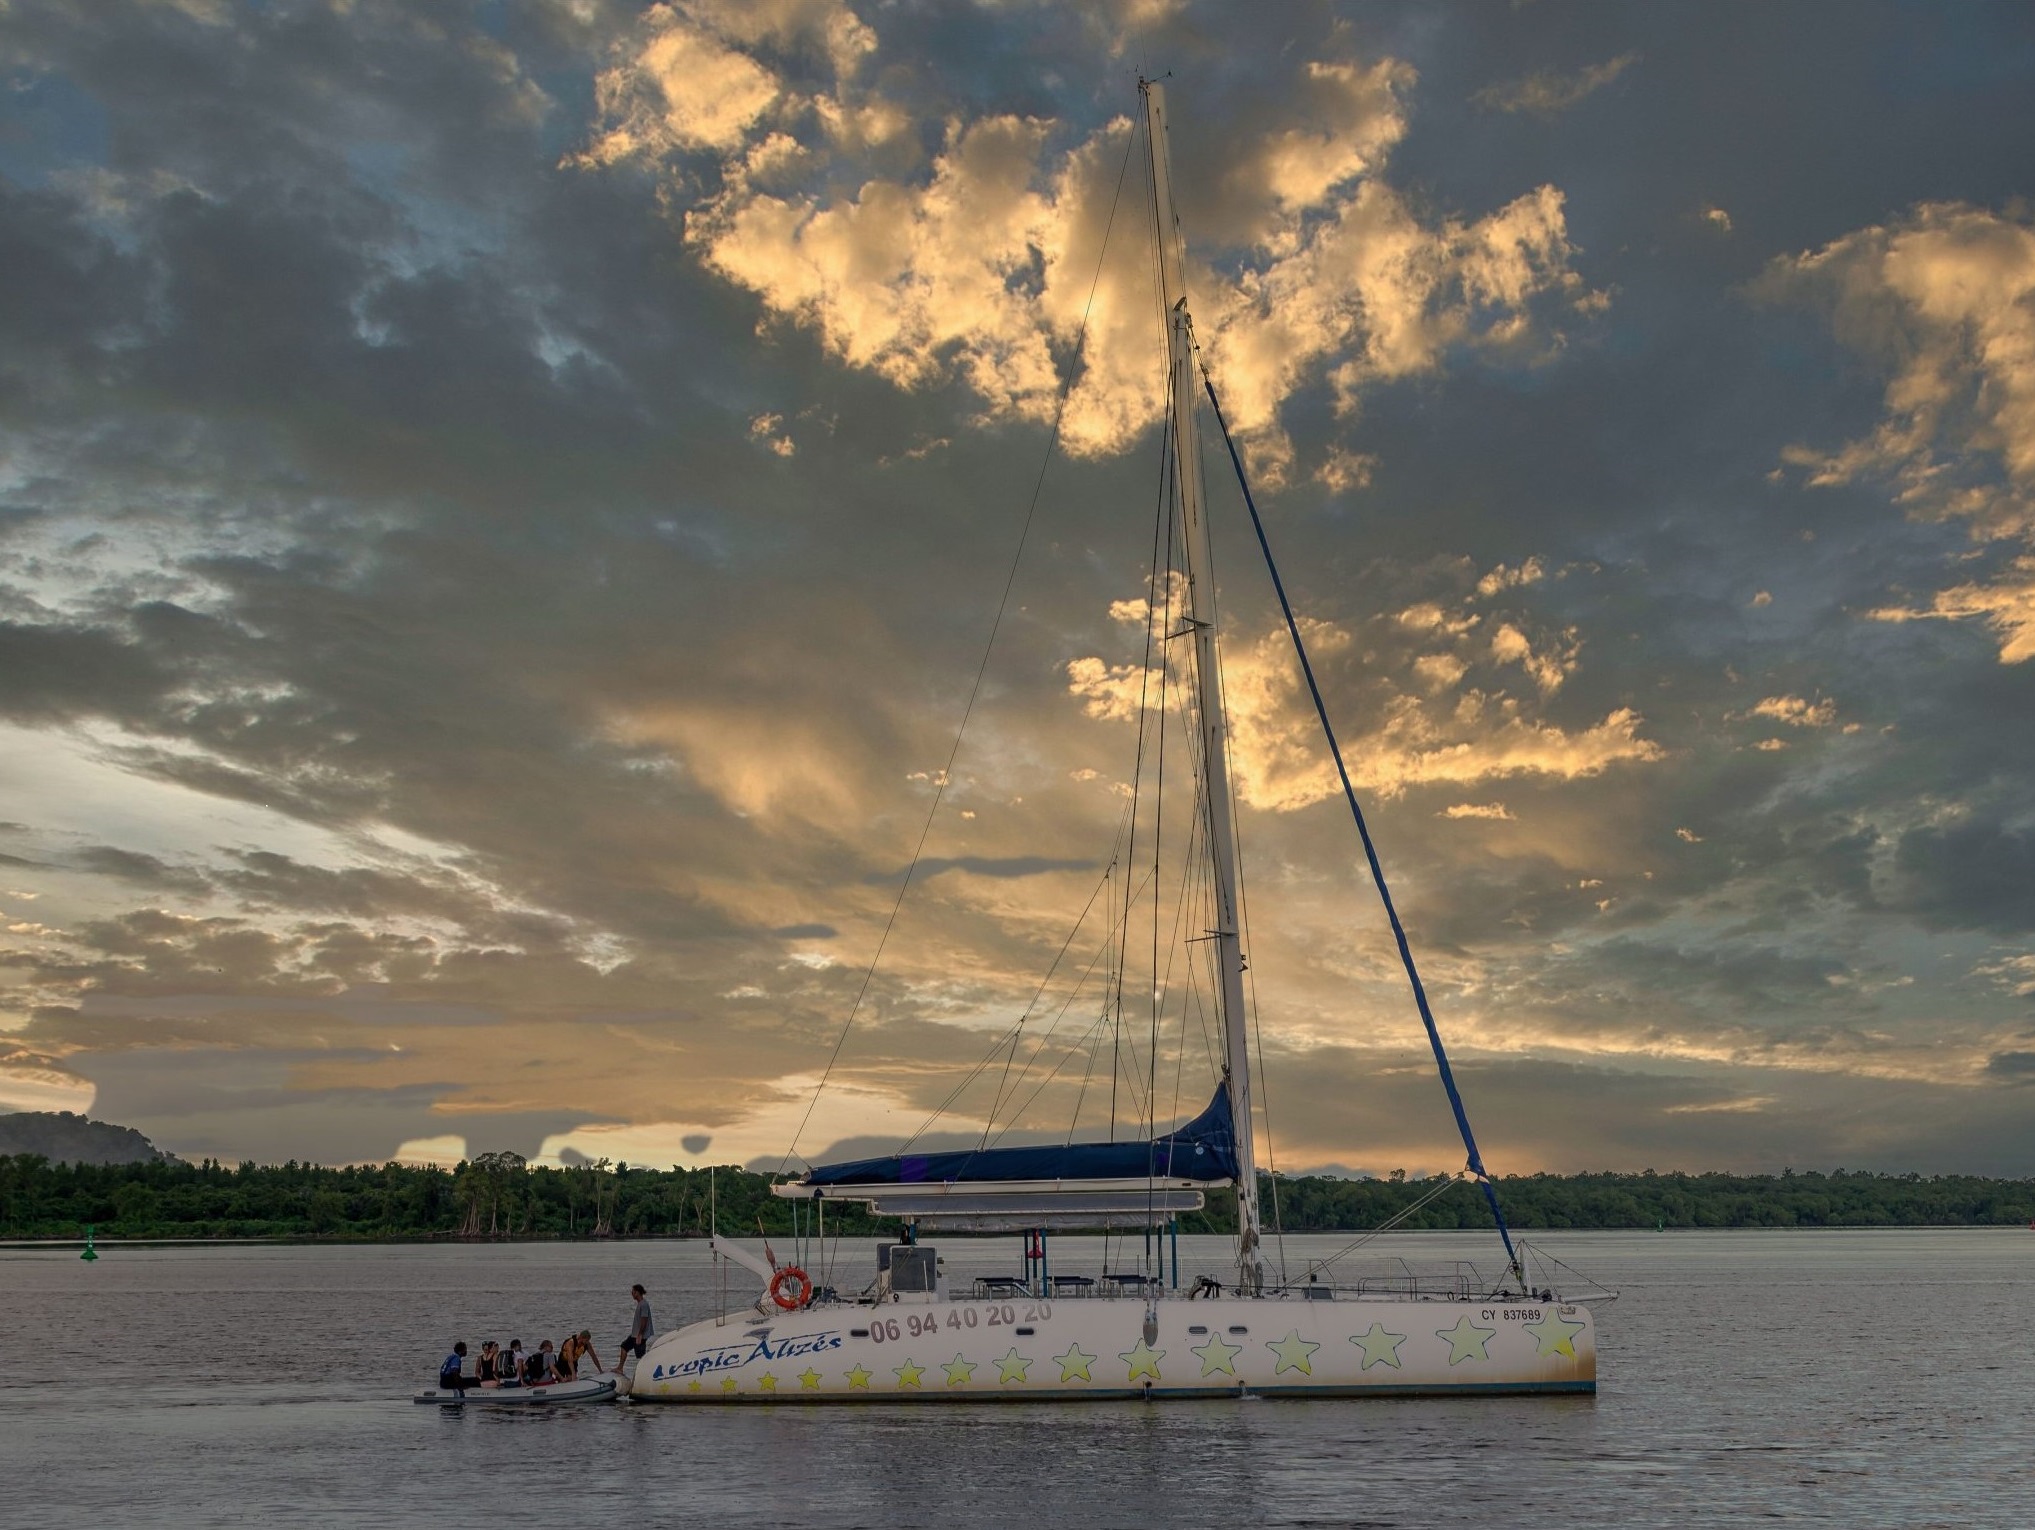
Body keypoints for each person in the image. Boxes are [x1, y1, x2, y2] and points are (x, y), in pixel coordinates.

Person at [617, 1284, 654, 1369]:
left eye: (633, 1292)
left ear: (637, 1292)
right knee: (625, 1347)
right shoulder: (641, 1304)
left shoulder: (643, 1304)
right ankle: (620, 1368)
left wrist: (640, 1334)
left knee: (640, 1356)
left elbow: (644, 1319)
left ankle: (646, 1370)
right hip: (636, 1334)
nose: (632, 1294)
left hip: (639, 1335)